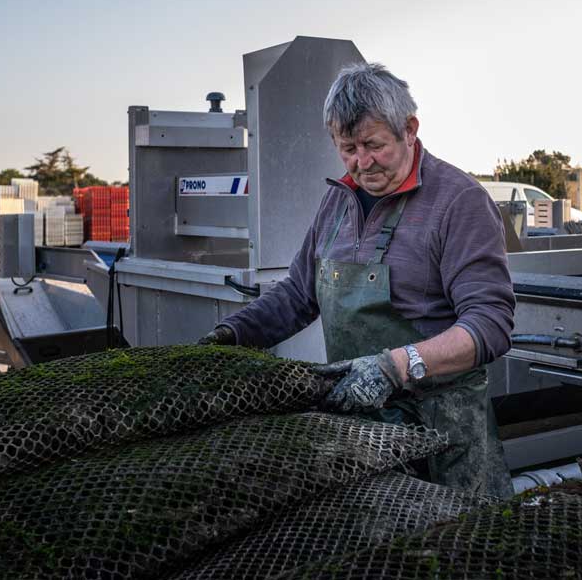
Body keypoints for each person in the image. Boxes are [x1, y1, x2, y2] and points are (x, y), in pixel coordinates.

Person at [200, 63, 515, 498]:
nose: (362, 163)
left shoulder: (459, 202)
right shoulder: (337, 201)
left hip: (443, 439)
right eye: (347, 148)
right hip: (362, 434)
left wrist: (394, 367)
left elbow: (490, 325)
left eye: (373, 145)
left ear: (409, 129)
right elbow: (296, 295)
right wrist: (230, 335)